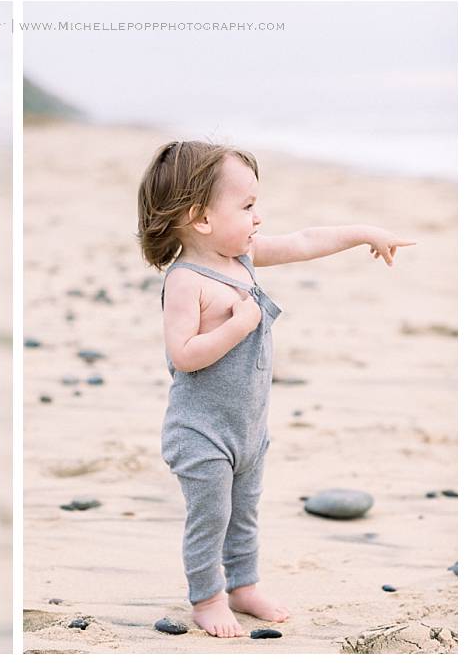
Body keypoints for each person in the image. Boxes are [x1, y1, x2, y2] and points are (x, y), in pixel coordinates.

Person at [136, 140, 414, 638]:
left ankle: (243, 585)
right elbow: (183, 355)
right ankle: (207, 597)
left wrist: (365, 233)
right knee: (211, 518)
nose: (258, 217)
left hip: (248, 426)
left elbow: (307, 240)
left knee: (244, 513)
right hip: (201, 433)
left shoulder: (244, 256)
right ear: (200, 218)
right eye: (246, 207)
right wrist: (238, 327)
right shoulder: (186, 281)